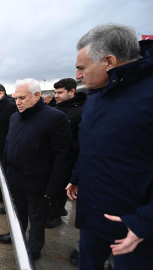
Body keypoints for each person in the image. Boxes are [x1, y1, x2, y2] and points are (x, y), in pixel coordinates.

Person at [66, 23, 153, 269]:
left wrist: (144, 222)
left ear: (109, 62)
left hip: (137, 231)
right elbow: (90, 146)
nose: (78, 76)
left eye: (81, 68)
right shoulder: (95, 99)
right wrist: (77, 176)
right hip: (93, 217)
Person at [0, 78, 74, 262]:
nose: (17, 102)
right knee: (17, 213)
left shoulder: (55, 118)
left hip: (38, 182)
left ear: (37, 95)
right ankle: (16, 236)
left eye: (22, 98)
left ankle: (34, 249)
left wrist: (53, 189)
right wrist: (7, 175)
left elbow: (64, 156)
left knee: (37, 219)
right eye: (16, 98)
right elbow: (9, 146)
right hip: (15, 178)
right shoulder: (15, 117)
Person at [45, 78, 87, 230]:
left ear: (72, 91)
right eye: (55, 92)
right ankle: (57, 209)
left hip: (73, 156)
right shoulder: (55, 108)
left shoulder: (83, 110)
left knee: (63, 185)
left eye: (60, 92)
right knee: (56, 183)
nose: (56, 95)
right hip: (55, 155)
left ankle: (55, 216)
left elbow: (85, 136)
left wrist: (69, 148)